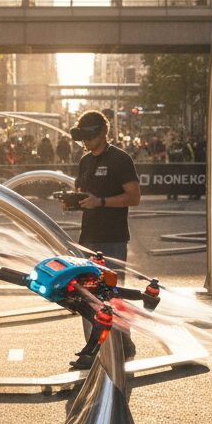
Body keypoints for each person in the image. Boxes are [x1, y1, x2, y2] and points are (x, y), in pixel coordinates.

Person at [72, 109, 141, 366]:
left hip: (112, 237)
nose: (86, 143)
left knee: (111, 294)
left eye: (89, 137)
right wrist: (74, 200)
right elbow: (82, 191)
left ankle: (121, 342)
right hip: (87, 236)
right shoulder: (85, 161)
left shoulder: (120, 159)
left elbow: (134, 197)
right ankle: (96, 347)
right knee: (86, 294)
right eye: (83, 139)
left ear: (103, 132)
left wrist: (100, 201)